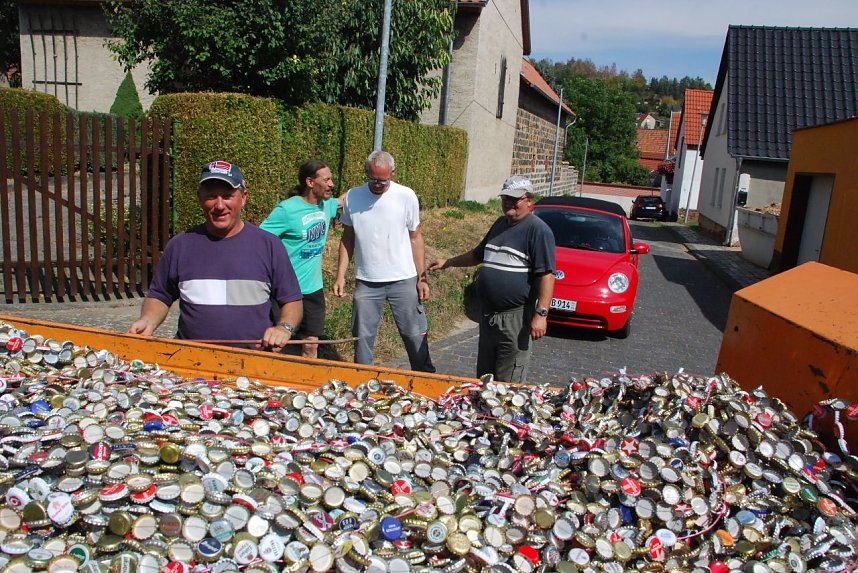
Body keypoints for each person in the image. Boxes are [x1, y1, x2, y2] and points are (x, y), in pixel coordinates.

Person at [128, 160, 303, 351]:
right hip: (192, 361)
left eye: (228, 196)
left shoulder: (269, 245)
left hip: (254, 361)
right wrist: (148, 320)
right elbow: (161, 295)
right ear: (200, 197)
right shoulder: (180, 246)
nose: (220, 205)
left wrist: (284, 327)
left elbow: (292, 300)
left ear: (243, 197)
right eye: (211, 196)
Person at [428, 175, 555, 383]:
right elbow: (478, 255)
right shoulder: (500, 224)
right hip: (488, 316)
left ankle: (505, 416)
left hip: (515, 318)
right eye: (505, 197)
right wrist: (448, 262)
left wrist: (541, 314)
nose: (508, 203)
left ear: (529, 200)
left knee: (508, 382)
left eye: (515, 199)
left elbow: (547, 276)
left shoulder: (538, 230)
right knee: (484, 377)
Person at [333, 150, 435, 372]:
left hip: (404, 279)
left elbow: (415, 237)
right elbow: (347, 238)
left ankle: (425, 378)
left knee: (413, 334)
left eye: (382, 180)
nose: (377, 185)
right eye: (372, 179)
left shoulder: (406, 196)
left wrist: (422, 278)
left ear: (393, 173)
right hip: (367, 281)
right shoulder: (353, 196)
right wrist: (340, 275)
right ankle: (363, 382)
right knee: (362, 338)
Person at [260, 159, 342, 358]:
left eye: (331, 179)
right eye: (327, 179)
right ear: (310, 182)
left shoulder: (326, 205)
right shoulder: (287, 210)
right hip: (286, 290)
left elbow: (345, 199)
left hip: (313, 289)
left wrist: (375, 182)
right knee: (279, 344)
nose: (331, 184)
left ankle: (308, 384)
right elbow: (260, 240)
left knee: (312, 343)